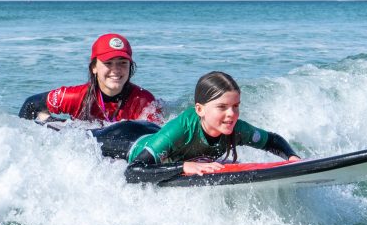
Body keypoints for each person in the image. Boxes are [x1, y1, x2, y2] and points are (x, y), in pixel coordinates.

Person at [121, 71, 300, 184]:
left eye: (236, 106)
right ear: (200, 109)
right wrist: (183, 167)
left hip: (151, 131)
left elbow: (272, 140)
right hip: (124, 140)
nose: (232, 114)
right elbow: (132, 172)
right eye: (222, 107)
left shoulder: (236, 128)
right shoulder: (181, 130)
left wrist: (292, 158)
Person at [18, 33, 163, 125]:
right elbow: (31, 104)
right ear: (94, 67)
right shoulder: (75, 96)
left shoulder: (144, 101)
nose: (116, 69)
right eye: (108, 63)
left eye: (122, 63)